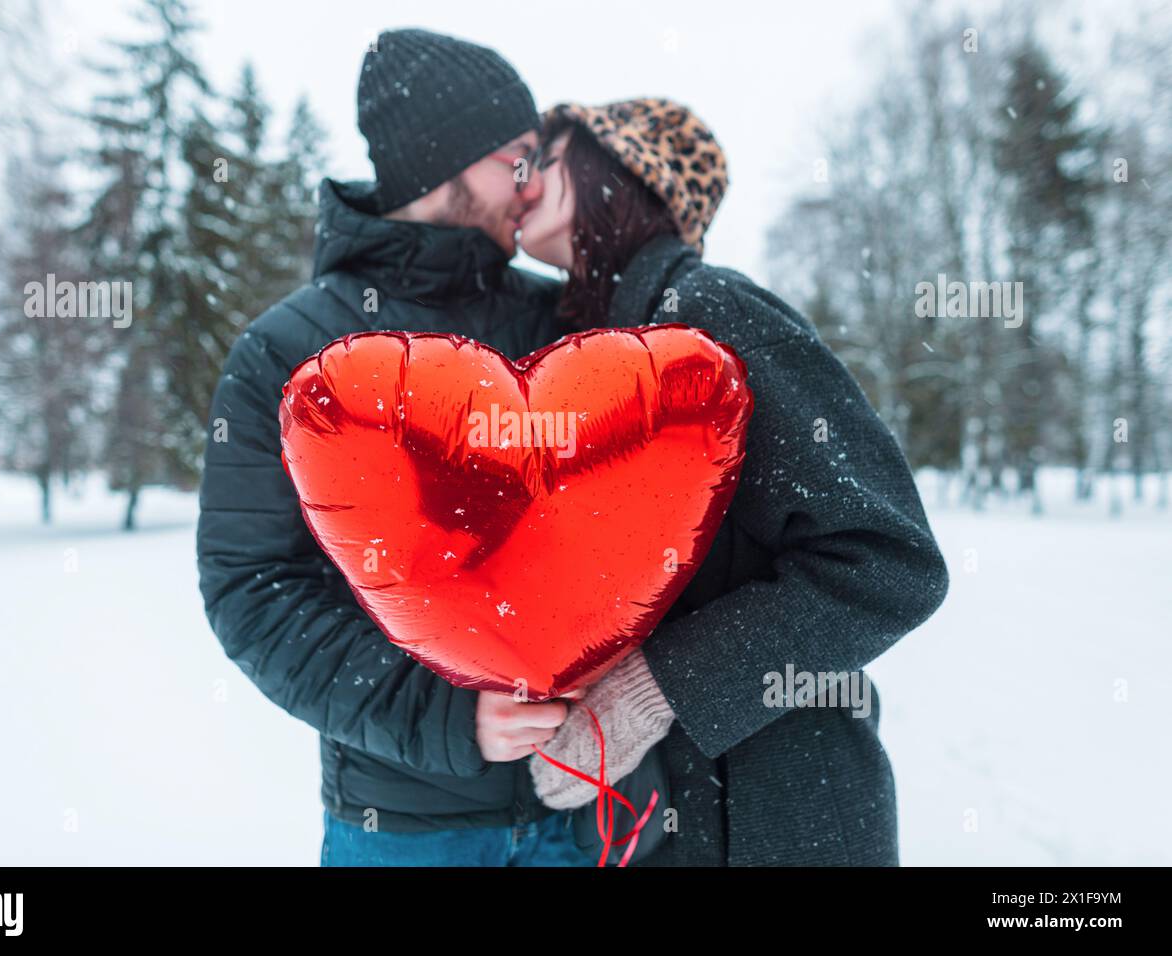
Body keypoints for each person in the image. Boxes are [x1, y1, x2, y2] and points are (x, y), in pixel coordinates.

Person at [195, 28, 601, 867]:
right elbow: (253, 589)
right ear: (438, 165)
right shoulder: (292, 350)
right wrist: (445, 716)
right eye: (515, 158)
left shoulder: (560, 324)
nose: (531, 184)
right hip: (404, 828)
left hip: (583, 807)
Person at [516, 99, 951, 865]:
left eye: (550, 157)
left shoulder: (709, 314)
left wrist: (653, 691)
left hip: (782, 818)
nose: (528, 177)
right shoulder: (588, 348)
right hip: (668, 818)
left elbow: (889, 563)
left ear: (616, 173)